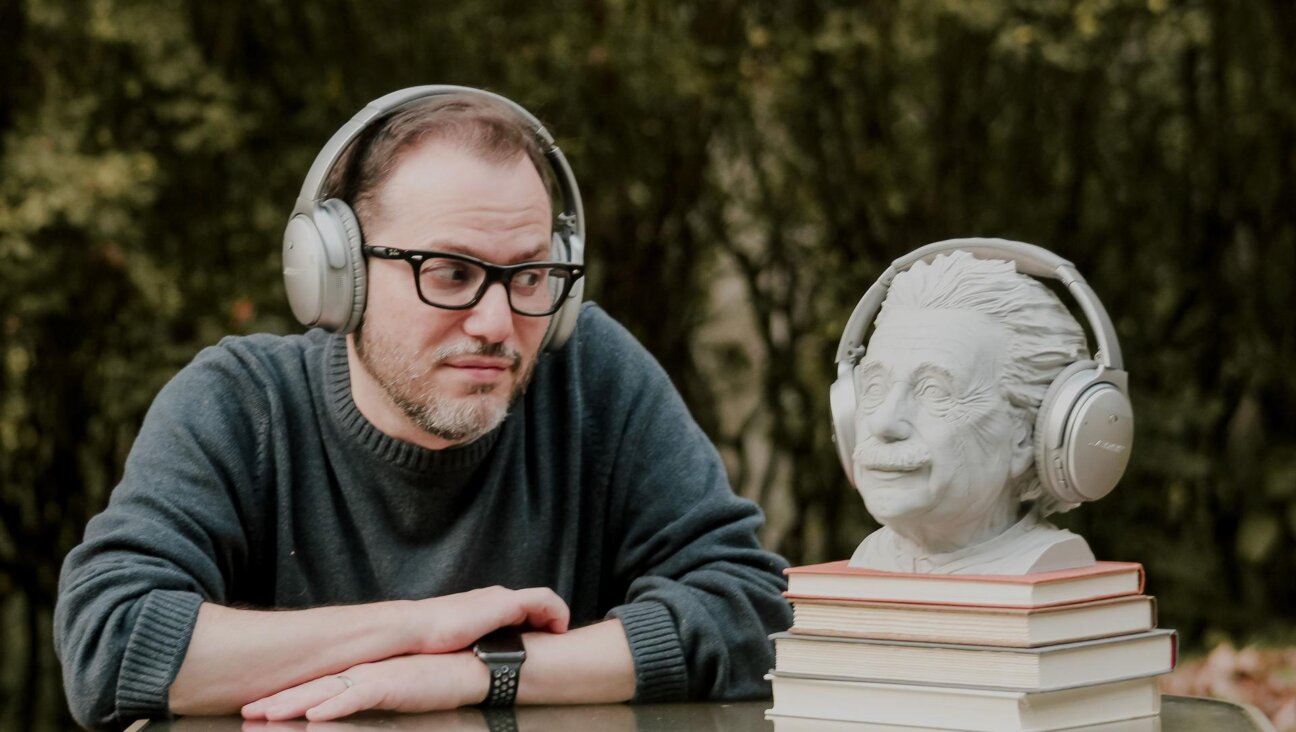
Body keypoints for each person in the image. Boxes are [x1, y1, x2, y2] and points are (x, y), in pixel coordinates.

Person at [54, 87, 791, 730]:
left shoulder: (589, 375)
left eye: (531, 275)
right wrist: (420, 624)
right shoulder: (240, 405)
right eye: (451, 272)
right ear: (336, 276)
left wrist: (483, 671)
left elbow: (749, 610)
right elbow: (111, 642)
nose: (498, 323)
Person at [847, 250, 1096, 574]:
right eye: (875, 388)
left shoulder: (1050, 568)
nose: (884, 422)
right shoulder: (869, 562)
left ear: (1028, 435)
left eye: (934, 390)